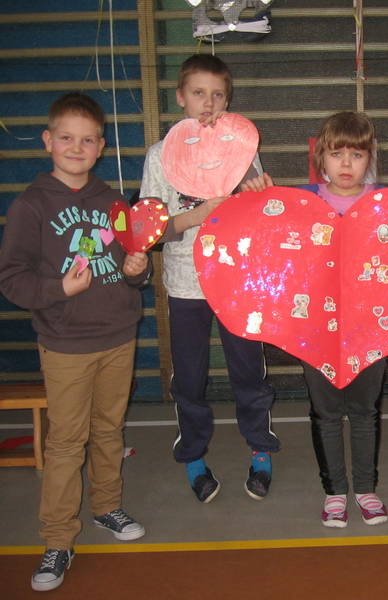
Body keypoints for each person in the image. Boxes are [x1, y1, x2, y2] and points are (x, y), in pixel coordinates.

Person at [0, 93, 150, 592]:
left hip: (118, 336)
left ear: (101, 147)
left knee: (109, 430)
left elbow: (130, 269)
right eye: (66, 138)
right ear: (48, 141)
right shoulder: (31, 205)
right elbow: (11, 278)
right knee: (66, 443)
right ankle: (58, 539)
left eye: (88, 140)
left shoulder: (113, 202)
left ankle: (107, 506)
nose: (77, 147)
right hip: (65, 344)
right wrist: (58, 289)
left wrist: (136, 269)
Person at [242, 111, 388, 527]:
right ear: (320, 157)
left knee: (364, 410)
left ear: (370, 158)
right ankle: (335, 491)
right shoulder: (304, 200)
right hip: (316, 328)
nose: (346, 164)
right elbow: (267, 235)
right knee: (325, 412)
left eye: (356, 155)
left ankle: (366, 488)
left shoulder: (385, 200)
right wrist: (256, 196)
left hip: (371, 326)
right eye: (337, 154)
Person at [139, 54, 279, 504]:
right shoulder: (160, 155)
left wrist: (259, 196)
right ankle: (194, 455)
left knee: (248, 370)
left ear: (228, 101)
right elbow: (151, 230)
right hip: (186, 284)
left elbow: (262, 218)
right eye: (198, 93)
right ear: (181, 97)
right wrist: (199, 214)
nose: (208, 103)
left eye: (217, 94)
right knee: (190, 376)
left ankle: (260, 447)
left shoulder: (243, 149)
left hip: (238, 280)